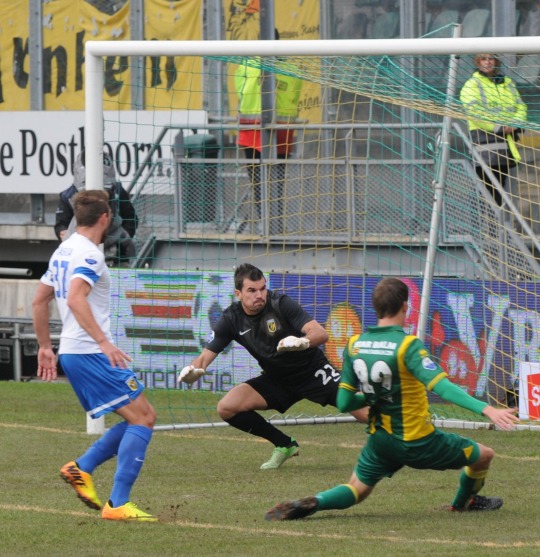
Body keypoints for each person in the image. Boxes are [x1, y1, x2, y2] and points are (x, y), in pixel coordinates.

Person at [264, 277, 519, 521]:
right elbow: (442, 387)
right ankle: (463, 504)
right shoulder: (407, 345)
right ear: (405, 307)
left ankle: (317, 502)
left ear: (376, 308)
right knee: (483, 455)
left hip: (381, 440)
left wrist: (374, 395)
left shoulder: (355, 344)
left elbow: (343, 402)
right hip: (417, 440)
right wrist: (488, 409)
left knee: (356, 490)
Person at [33, 189, 157, 522]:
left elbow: (39, 300)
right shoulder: (90, 254)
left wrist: (46, 346)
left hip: (74, 352)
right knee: (144, 418)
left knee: (138, 417)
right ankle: (116, 503)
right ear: (106, 218)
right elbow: (75, 299)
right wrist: (104, 342)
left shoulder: (63, 250)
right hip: (89, 351)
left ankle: (82, 468)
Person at [178, 263, 369, 469]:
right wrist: (192, 372)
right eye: (252, 290)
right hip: (278, 380)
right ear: (238, 293)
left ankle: (403, 439)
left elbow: (320, 333)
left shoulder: (280, 303)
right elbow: (204, 358)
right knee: (227, 408)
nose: (259, 295)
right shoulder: (231, 319)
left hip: (313, 372)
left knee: (365, 414)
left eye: (262, 288)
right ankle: (284, 444)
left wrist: (302, 342)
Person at [234, 29, 302, 234]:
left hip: (252, 129)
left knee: (258, 181)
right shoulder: (291, 69)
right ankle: (275, 222)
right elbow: (294, 98)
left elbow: (240, 92)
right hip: (279, 131)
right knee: (276, 181)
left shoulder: (247, 65)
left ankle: (268, 222)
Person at [459, 54, 527, 208]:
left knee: (499, 187)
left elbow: (521, 106)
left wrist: (514, 124)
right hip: (485, 142)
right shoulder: (472, 85)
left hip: (505, 143)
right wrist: (498, 127)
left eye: (491, 59)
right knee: (488, 189)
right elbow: (474, 112)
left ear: (496, 61)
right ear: (477, 62)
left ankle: (496, 228)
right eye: (484, 59)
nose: (488, 62)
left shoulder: (507, 83)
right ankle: (489, 228)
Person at [54, 151, 138, 267]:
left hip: (117, 256)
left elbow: (131, 218)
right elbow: (61, 224)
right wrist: (64, 234)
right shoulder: (68, 196)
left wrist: (122, 240)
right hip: (80, 255)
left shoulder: (118, 192)